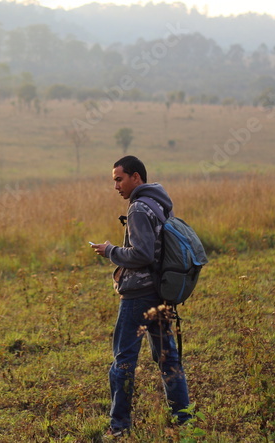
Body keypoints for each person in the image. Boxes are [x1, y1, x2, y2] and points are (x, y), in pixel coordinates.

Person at [92, 155, 190, 437]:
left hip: (138, 296)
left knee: (123, 360)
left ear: (136, 177)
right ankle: (184, 419)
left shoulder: (137, 208)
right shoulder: (160, 204)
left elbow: (142, 254)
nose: (116, 186)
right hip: (160, 293)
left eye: (119, 179)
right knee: (168, 358)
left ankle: (119, 426)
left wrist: (109, 250)